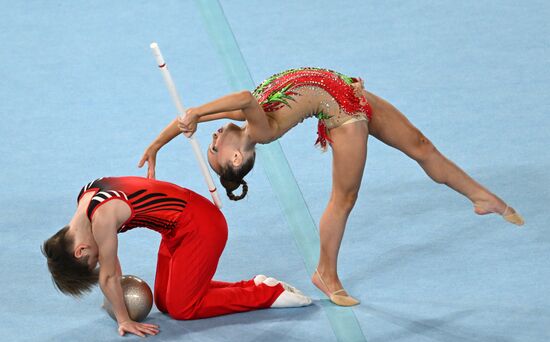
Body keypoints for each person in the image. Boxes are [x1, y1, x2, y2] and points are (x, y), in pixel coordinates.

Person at [139, 67, 524, 307]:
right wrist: (197, 114)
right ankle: (326, 273)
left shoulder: (240, 118)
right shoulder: (258, 128)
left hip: (350, 94)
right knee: (344, 198)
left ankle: (480, 196)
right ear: (236, 158)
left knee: (422, 146)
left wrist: (159, 143)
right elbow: (240, 95)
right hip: (343, 117)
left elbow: (195, 115)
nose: (214, 133)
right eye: (214, 145)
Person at [42, 176, 311, 337]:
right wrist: (113, 300)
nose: (99, 261)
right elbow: (112, 270)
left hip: (201, 227)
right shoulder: (86, 198)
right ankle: (254, 284)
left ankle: (268, 294)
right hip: (176, 230)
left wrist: (124, 319)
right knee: (165, 301)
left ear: (80, 251)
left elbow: (110, 275)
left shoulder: (101, 219)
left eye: (93, 262)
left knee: (184, 308)